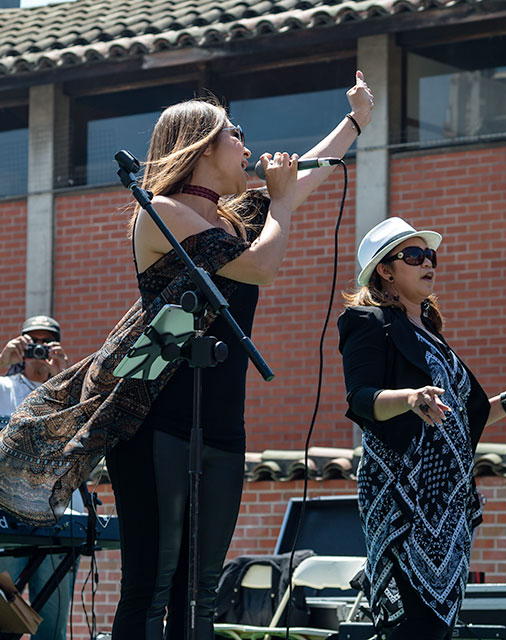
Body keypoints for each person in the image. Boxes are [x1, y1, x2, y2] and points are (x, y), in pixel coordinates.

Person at [0, 71, 374, 640]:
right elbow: (261, 265)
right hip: (155, 421)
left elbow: (302, 177)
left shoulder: (233, 218)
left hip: (220, 421)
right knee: (152, 587)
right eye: (235, 133)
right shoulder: (162, 211)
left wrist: (354, 122)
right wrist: (279, 201)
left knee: (200, 590)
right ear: (199, 147)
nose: (247, 143)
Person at [337, 217, 506, 640]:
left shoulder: (431, 333)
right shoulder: (367, 321)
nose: (428, 263)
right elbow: (361, 399)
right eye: (414, 255)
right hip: (404, 501)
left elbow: (461, 418)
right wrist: (408, 398)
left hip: (447, 505)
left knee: (438, 627)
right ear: (385, 270)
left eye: (430, 256)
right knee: (414, 627)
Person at [0, 315, 78, 640]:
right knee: (4, 622)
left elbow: (88, 427)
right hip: (8, 518)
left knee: (52, 627)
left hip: (57, 517)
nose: (39, 348)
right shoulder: (5, 387)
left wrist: (65, 375)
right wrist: (3, 361)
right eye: (33, 341)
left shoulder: (67, 391)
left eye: (47, 342)